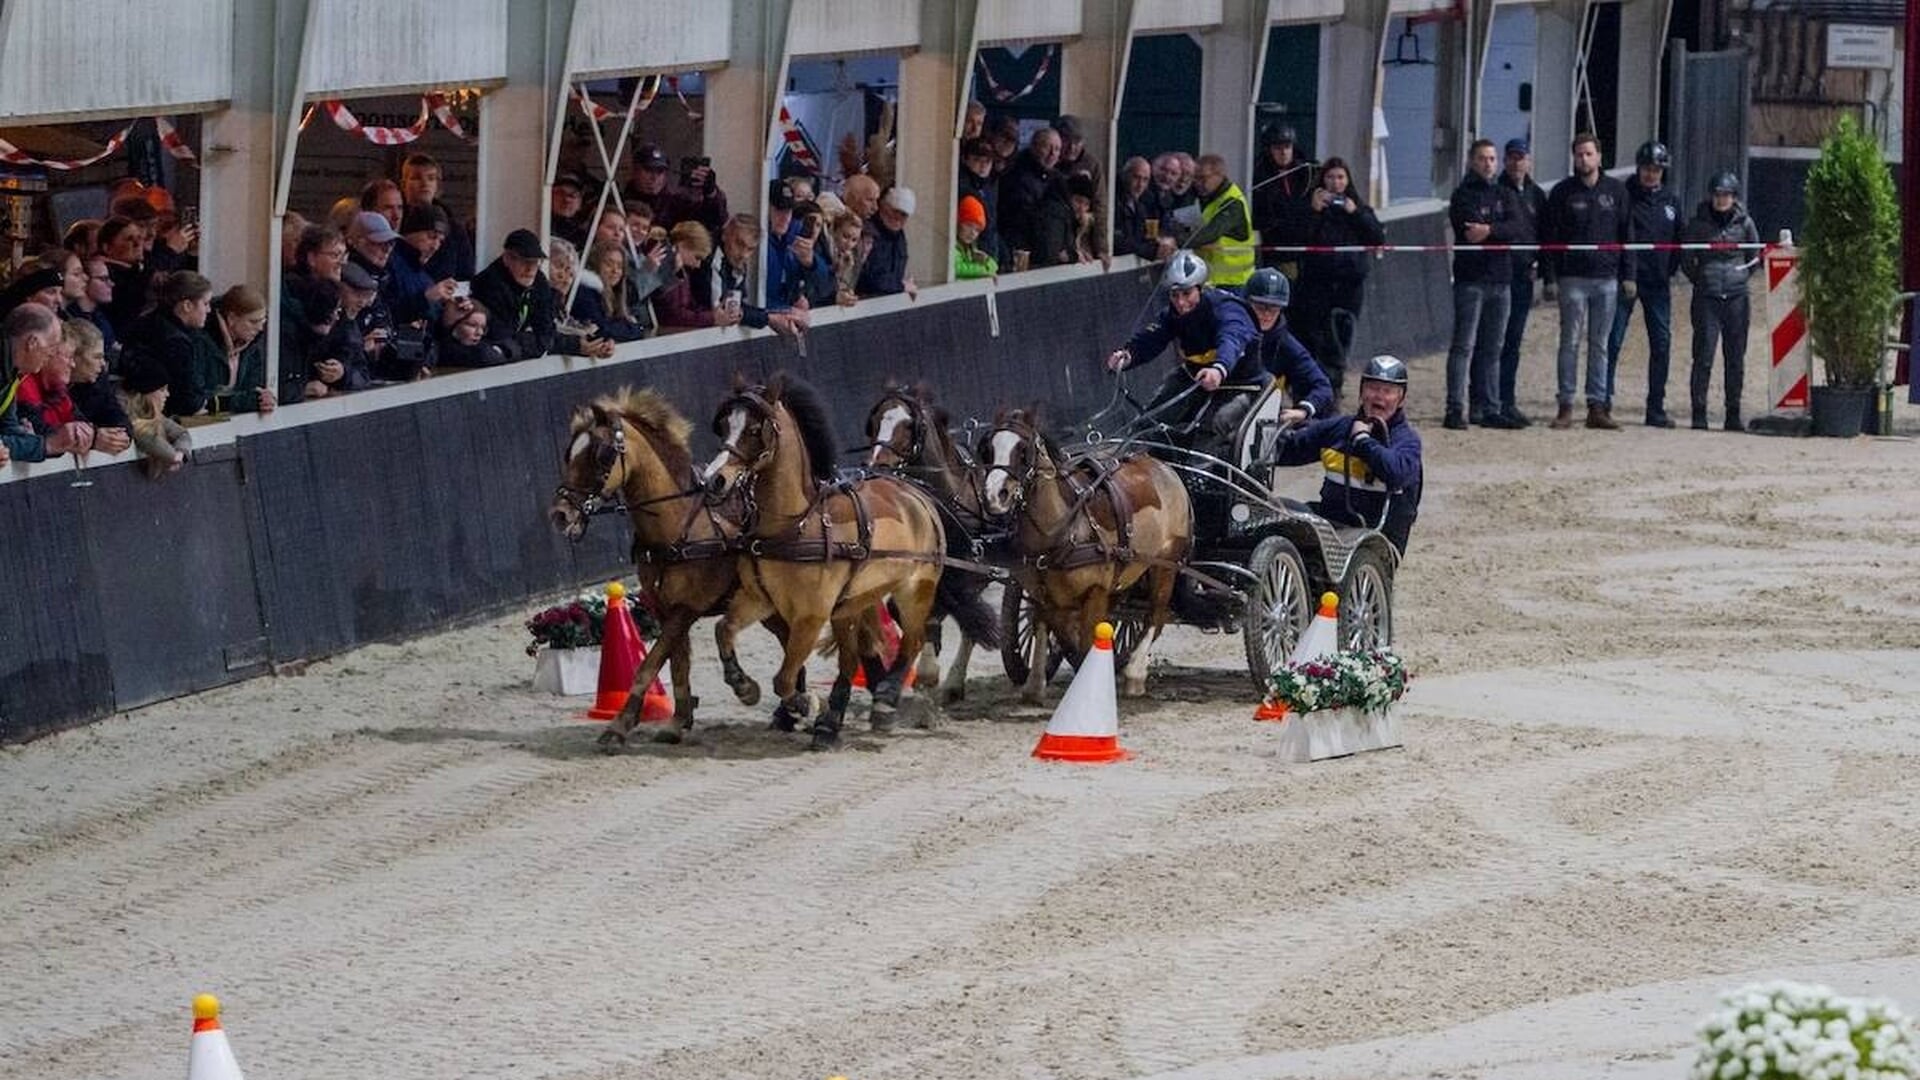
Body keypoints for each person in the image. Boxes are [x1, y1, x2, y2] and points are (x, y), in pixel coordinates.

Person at [1266, 354, 1423, 554]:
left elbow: (1396, 473)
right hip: (1332, 525)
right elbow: (1290, 449)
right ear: (1361, 392)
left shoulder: (1406, 440)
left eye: (1387, 391)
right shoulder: (1340, 428)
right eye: (1373, 388)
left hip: (1378, 539)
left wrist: (1363, 441)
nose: (1379, 397)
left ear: (1401, 399)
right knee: (1277, 512)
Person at [1103, 250, 1258, 448]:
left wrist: (1219, 368)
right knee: (1149, 422)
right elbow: (1152, 337)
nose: (1181, 303)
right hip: (1194, 377)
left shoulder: (1226, 308)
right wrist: (1128, 355)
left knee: (1212, 426)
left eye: (1187, 293)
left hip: (1239, 383)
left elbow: (1232, 339)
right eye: (1174, 295)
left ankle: (1199, 467)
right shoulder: (1172, 314)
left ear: (1200, 288)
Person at [1543, 132, 1633, 430]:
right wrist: (1550, 277)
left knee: (1600, 344)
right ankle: (1566, 405)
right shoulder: (1562, 192)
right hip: (1572, 279)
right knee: (1569, 343)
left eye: (1588, 154)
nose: (1583, 159)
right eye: (1579, 154)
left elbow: (1627, 235)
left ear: (1599, 157)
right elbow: (1550, 237)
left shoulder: (1616, 191)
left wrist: (1629, 275)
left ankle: (1597, 406)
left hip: (1606, 279)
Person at [1444, 139, 1522, 430]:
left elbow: (1517, 227)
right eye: (1482, 158)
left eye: (1492, 158)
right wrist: (1497, 229)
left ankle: (1490, 407)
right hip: (1471, 280)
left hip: (1501, 279)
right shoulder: (1462, 195)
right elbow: (1468, 231)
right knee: (1463, 346)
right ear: (1471, 161)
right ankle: (1455, 407)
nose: (1488, 164)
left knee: (1493, 348)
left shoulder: (1505, 193)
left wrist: (1489, 229)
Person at [1605, 141, 1684, 427]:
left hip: (1658, 282)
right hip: (1626, 279)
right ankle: (1603, 402)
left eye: (1656, 170)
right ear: (1639, 168)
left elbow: (1678, 239)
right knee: (1613, 340)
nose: (1651, 174)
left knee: (1661, 343)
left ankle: (1655, 407)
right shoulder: (1624, 195)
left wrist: (1668, 270)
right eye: (1647, 169)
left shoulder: (1671, 200)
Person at [1292, 156, 1384, 401]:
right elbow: (1299, 237)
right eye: (1331, 177)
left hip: (1349, 286)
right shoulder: (1312, 207)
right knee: (1319, 337)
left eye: (1341, 177)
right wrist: (1313, 211)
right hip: (1317, 285)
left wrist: (1355, 213)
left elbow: (1377, 237)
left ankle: (1335, 384)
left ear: (1348, 180)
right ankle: (1321, 386)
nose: (1335, 183)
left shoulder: (1358, 207)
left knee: (1343, 336)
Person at [1681, 171, 1760, 432]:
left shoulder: (1745, 223)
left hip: (1737, 296)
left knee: (1735, 356)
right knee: (1703, 355)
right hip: (1707, 296)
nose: (1721, 199)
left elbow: (1753, 256)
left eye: (1726, 195)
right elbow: (1686, 259)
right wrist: (1702, 278)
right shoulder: (1698, 224)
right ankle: (1699, 411)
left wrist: (1740, 277)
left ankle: (1733, 413)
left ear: (1734, 197)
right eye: (1717, 195)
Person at [1495, 138, 1548, 427]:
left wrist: (1544, 271)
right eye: (1512, 158)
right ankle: (1488, 400)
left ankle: (1507, 399)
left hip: (1523, 277)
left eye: (1521, 158)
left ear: (1529, 161)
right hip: (1498, 275)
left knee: (1513, 340)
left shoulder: (1536, 195)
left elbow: (1545, 235)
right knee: (1493, 341)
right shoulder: (1497, 191)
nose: (1517, 163)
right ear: (1506, 161)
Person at [1240, 268, 1334, 426]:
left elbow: (1322, 387)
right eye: (1261, 306)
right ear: (1247, 303)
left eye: (1274, 308)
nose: (1267, 314)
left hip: (1256, 418)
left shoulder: (1287, 345)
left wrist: (1303, 410)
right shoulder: (1228, 330)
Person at [2, 303, 93, 463]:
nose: (52, 354)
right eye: (52, 346)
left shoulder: (13, 374)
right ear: (32, 342)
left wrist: (39, 442)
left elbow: (9, 430)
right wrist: (49, 444)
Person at [1251, 124, 1316, 277]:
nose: (1283, 153)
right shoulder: (1261, 177)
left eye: (1287, 147)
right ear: (1269, 150)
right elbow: (1263, 216)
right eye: (1277, 148)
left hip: (1308, 248)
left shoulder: (1307, 172)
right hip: (1279, 250)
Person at [1184, 154, 1255, 291]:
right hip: (1209, 280)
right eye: (1195, 178)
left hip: (1234, 282)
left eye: (1203, 178)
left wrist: (1176, 241)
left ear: (1219, 176)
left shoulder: (1232, 202)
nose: (1198, 183)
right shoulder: (1205, 198)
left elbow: (1211, 233)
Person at [953, 196, 998, 280]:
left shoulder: (970, 249)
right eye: (969, 225)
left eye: (977, 230)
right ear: (959, 223)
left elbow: (994, 266)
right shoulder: (951, 246)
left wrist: (986, 259)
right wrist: (983, 271)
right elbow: (956, 268)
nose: (972, 233)